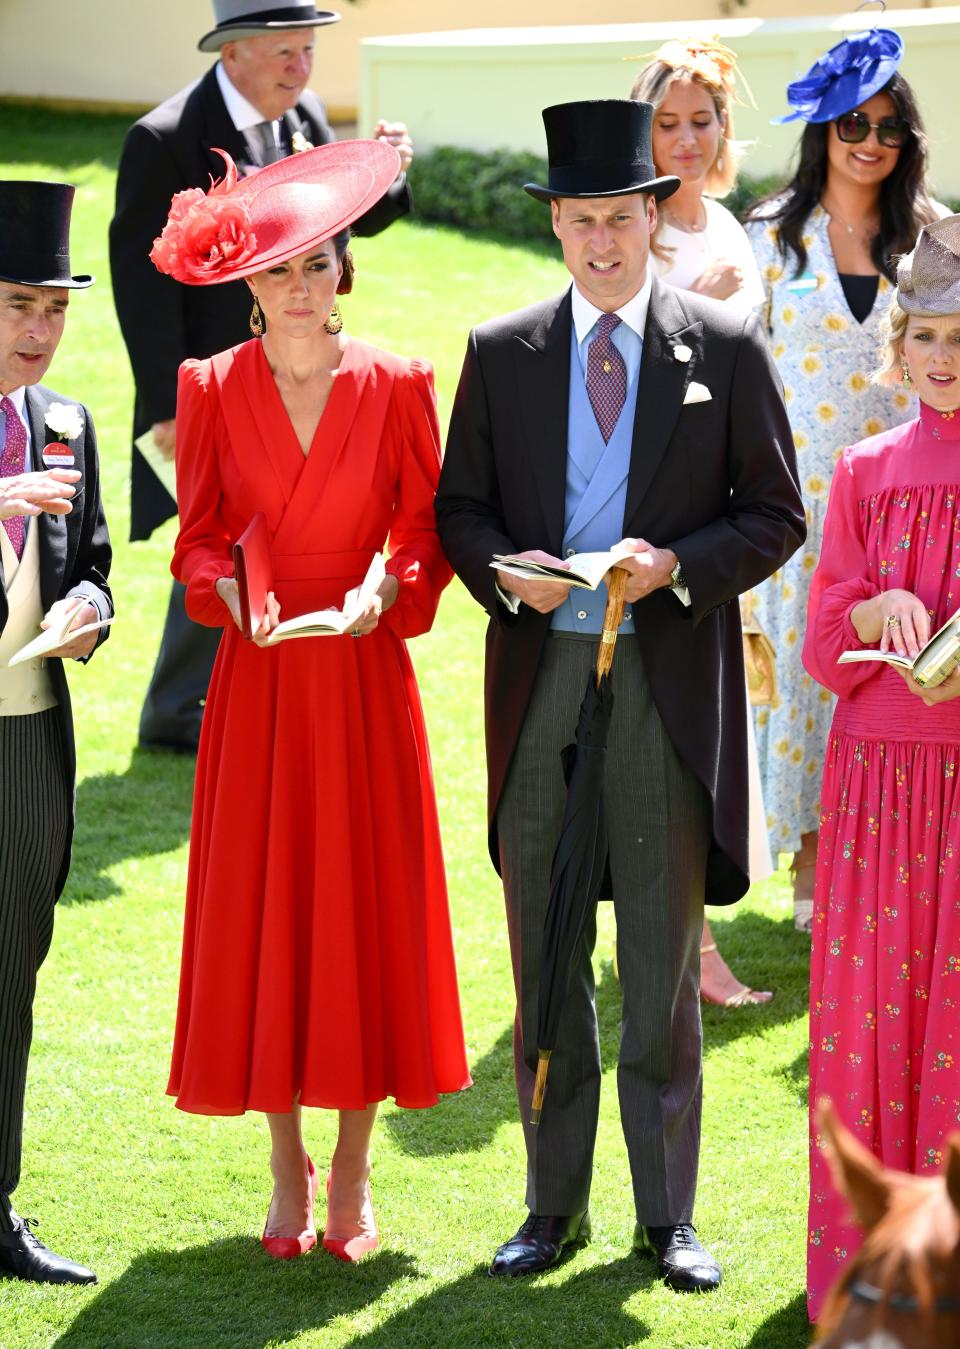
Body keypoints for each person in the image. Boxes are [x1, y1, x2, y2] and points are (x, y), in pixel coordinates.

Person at [435, 99, 805, 1291]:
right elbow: (462, 510)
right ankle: (550, 1207)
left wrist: (677, 571)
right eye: (579, 221)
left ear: (657, 215)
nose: (600, 241)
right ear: (558, 228)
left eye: (620, 217)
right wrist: (509, 579)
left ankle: (668, 1216)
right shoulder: (501, 353)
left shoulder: (727, 347)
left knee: (656, 960)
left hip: (666, 684)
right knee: (546, 957)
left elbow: (774, 513)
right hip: (541, 682)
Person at [151, 139, 470, 1261]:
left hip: (362, 682)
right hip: (263, 686)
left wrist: (396, 585)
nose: (301, 282)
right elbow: (192, 544)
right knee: (270, 909)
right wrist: (226, 591)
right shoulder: (206, 389)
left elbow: (426, 534)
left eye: (319, 262)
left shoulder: (399, 383)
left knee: (359, 913)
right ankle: (284, 1162)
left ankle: (352, 1169)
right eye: (280, 266)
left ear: (345, 270)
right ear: (249, 282)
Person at [109, 0, 415, 754]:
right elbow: (142, 289)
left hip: (298, 367)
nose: (302, 68)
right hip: (221, 386)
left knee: (275, 532)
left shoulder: (303, 111)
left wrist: (391, 173)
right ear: (234, 51)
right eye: (286, 53)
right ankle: (178, 707)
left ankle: (207, 701)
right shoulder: (164, 138)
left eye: (308, 51)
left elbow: (330, 226)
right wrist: (167, 407)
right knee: (220, 534)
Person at [743, 27, 943, 931]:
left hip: (915, 499)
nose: (870, 140)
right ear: (821, 124)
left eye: (890, 127)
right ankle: (814, 868)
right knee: (807, 676)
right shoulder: (770, 236)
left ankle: (894, 859)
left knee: (894, 675)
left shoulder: (932, 236)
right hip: (795, 503)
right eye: (853, 121)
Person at [801, 214, 960, 1322]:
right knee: (874, 1018)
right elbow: (821, 644)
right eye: (929, 339)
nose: (945, 361)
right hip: (875, 788)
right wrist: (874, 602)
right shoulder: (863, 469)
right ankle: (871, 1271)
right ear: (896, 350)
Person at [632, 36, 772, 1009]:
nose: (686, 139)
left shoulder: (729, 224)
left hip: (737, 514)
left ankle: (681, 927)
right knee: (672, 733)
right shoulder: (634, 234)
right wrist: (690, 308)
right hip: (664, 519)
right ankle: (691, 946)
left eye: (701, 121)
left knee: (722, 729)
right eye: (668, 122)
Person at [0, 180, 113, 1284]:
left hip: (31, 736)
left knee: (10, 970)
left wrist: (91, 609)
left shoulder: (70, 421)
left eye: (58, 308)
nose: (42, 331)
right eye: (20, 305)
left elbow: (93, 563)